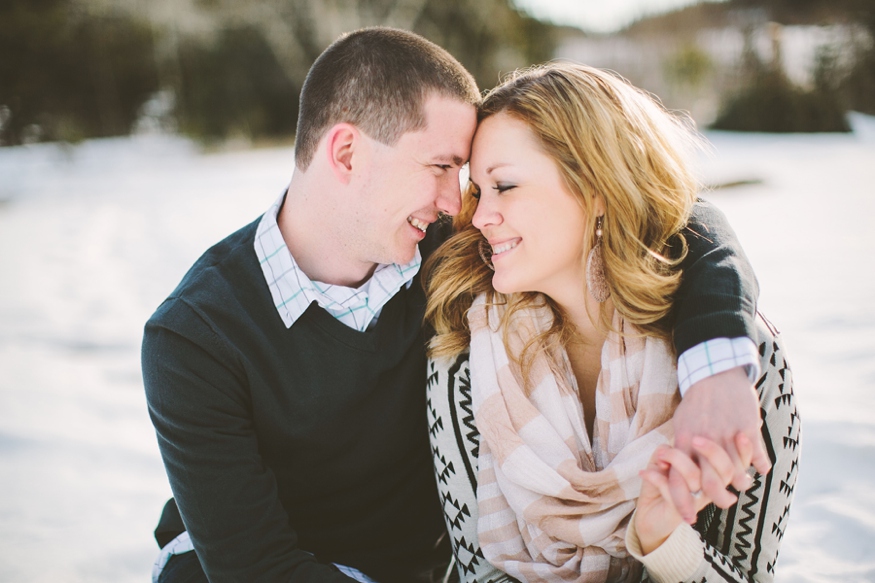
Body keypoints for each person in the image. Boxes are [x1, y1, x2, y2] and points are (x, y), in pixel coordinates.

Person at [142, 28, 768, 583]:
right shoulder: (194, 336)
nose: (455, 201)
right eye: (441, 167)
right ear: (346, 153)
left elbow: (673, 221)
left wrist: (716, 362)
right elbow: (254, 567)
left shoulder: (451, 253)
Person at [423, 63, 800, 582]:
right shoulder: (465, 362)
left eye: (505, 186)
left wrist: (665, 543)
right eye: (478, 192)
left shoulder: (738, 371)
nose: (480, 216)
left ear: (598, 189)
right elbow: (477, 571)